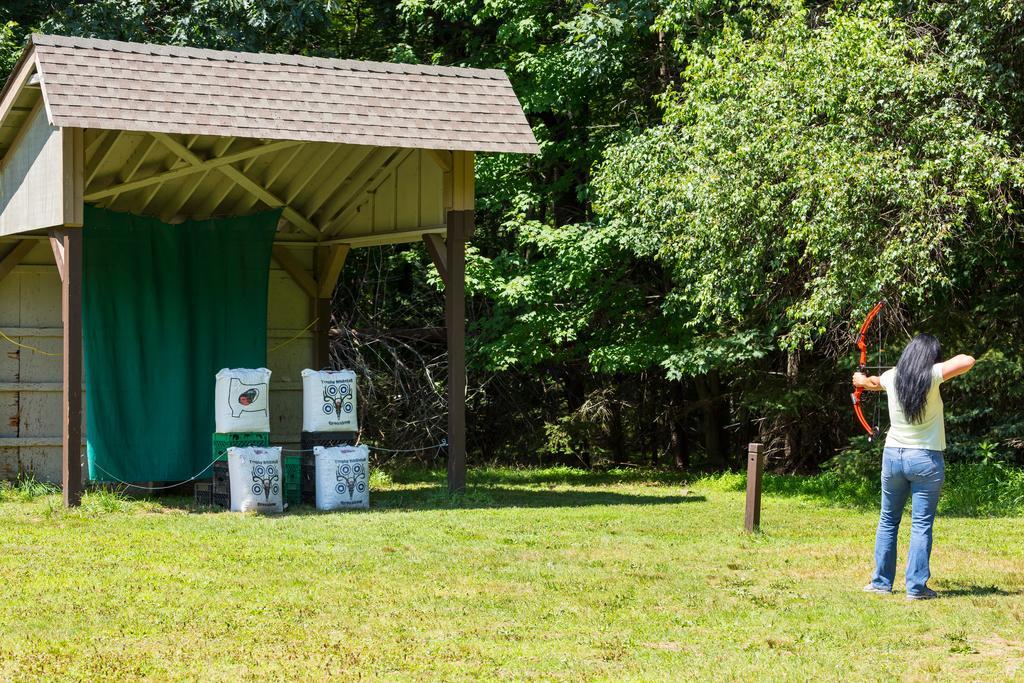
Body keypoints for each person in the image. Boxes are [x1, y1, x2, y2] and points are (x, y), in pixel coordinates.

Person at [852, 334, 975, 600]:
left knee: (888, 519)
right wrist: (935, 367)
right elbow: (968, 360)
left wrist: (860, 381)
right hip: (925, 458)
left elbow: (871, 382)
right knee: (920, 524)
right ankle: (916, 588)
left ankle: (881, 583)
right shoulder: (930, 375)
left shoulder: (892, 376)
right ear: (929, 357)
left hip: (893, 456)